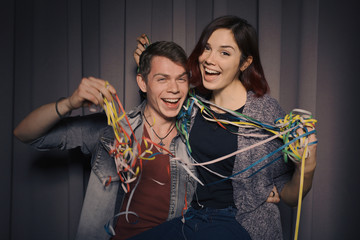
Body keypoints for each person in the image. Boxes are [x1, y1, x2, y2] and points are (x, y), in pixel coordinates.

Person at [130, 15, 317, 240]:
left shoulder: (265, 111)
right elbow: (163, 98)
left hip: (240, 223)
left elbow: (288, 195)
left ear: (245, 63)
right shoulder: (193, 104)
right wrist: (150, 61)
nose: (209, 59)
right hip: (192, 218)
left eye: (225, 53)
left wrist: (306, 168)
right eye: (207, 48)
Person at [13, 41, 197, 240]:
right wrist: (69, 103)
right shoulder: (111, 131)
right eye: (162, 79)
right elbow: (26, 134)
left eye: (181, 79)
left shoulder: (197, 134)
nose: (174, 89)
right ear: (142, 83)